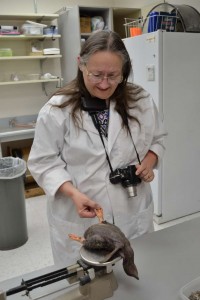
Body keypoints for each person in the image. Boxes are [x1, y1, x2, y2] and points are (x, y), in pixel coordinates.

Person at [28, 30, 166, 266]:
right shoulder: (56, 110)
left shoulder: (140, 101)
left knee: (136, 273)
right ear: (80, 64)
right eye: (96, 74)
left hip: (132, 209)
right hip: (80, 215)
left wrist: (150, 161)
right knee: (88, 282)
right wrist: (73, 193)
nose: (104, 84)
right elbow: (43, 162)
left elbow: (158, 138)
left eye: (113, 76)